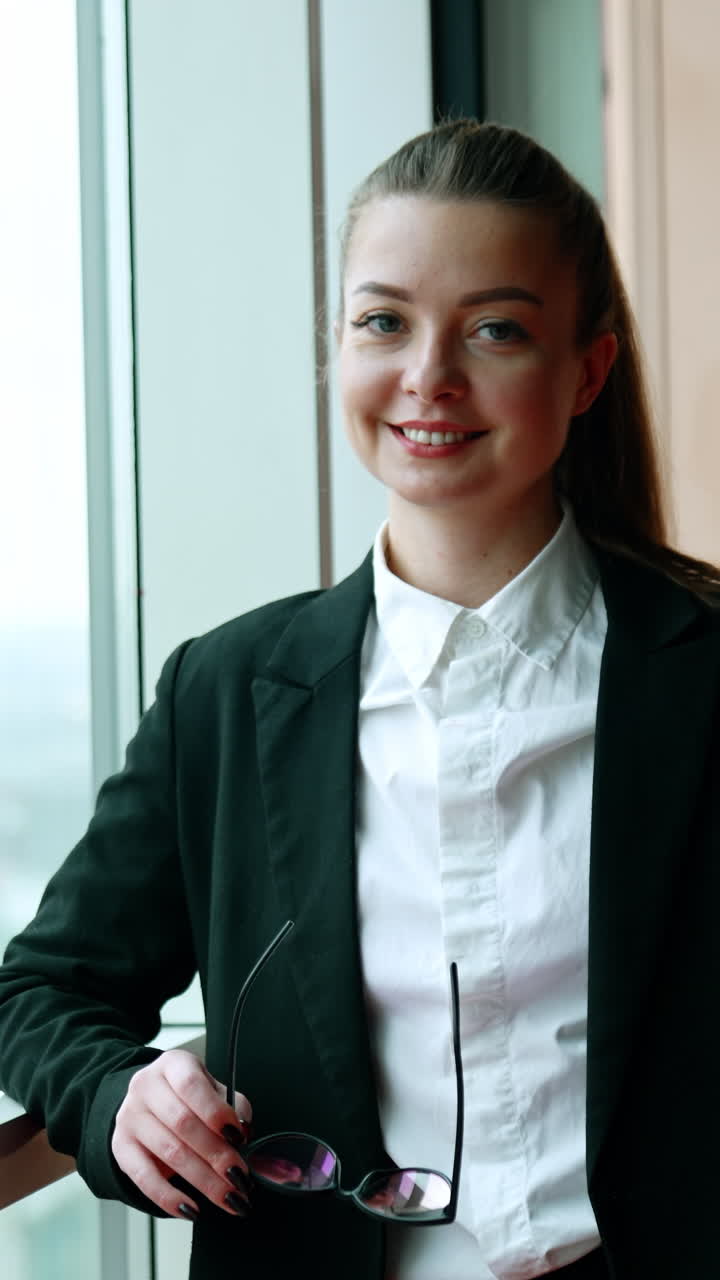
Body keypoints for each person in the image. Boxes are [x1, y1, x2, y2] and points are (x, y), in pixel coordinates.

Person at [1, 118, 719, 1280]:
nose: (428, 375)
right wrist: (118, 1092)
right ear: (335, 346)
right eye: (384, 320)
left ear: (587, 368)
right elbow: (41, 988)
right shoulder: (227, 691)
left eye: (494, 328)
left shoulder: (701, 675)